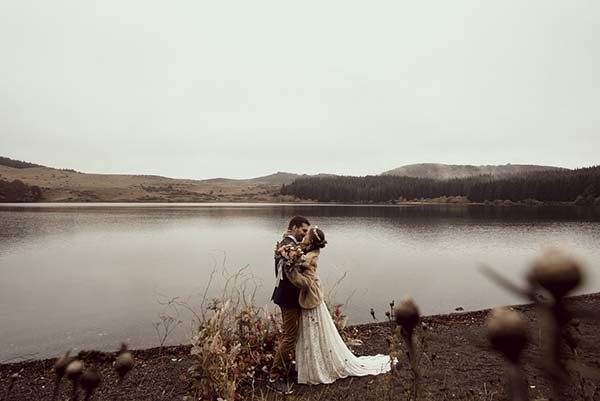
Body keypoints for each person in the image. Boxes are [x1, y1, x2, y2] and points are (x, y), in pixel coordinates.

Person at [286, 226, 393, 385]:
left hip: (311, 301)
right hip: (310, 300)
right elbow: (296, 249)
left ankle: (316, 370)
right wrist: (287, 247)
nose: (304, 235)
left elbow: (306, 282)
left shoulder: (311, 258)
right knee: (310, 335)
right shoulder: (306, 250)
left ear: (311, 240)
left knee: (313, 335)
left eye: (306, 234)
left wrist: (290, 271)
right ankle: (310, 368)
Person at [267, 215, 310, 394]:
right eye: (303, 230)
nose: (305, 234)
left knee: (291, 335)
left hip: (288, 297)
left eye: (307, 231)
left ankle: (286, 367)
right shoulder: (288, 247)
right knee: (290, 336)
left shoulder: (288, 244)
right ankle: (274, 377)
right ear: (293, 228)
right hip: (288, 298)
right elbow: (290, 275)